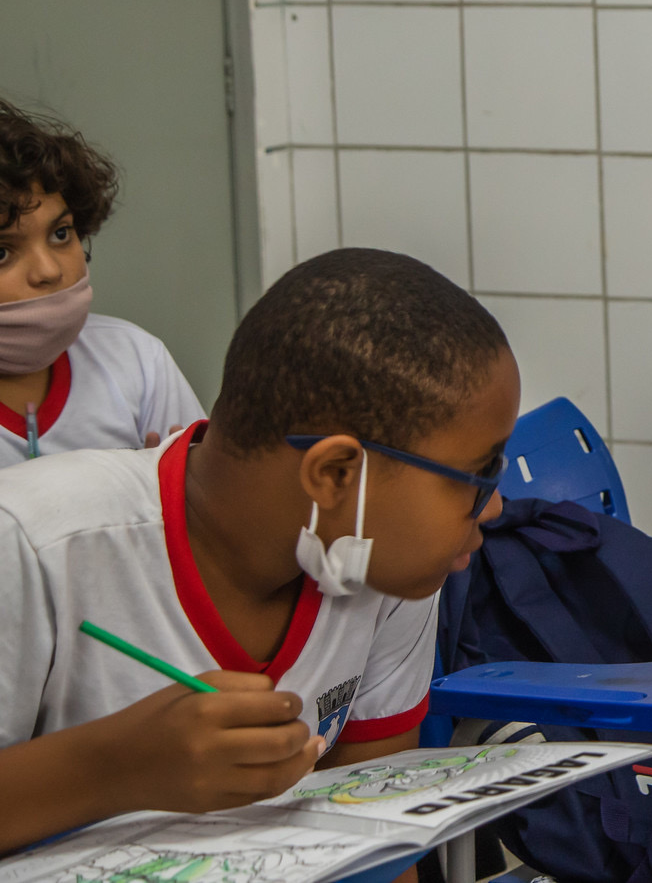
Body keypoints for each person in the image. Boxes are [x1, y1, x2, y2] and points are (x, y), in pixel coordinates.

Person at [0, 247, 516, 867]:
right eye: (477, 475)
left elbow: (377, 842)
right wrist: (115, 767)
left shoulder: (376, 566)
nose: (494, 509)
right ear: (335, 473)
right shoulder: (33, 543)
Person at [0, 99, 203, 464]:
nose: (48, 270)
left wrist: (161, 496)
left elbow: (205, 507)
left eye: (61, 234)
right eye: (2, 253)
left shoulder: (137, 361)